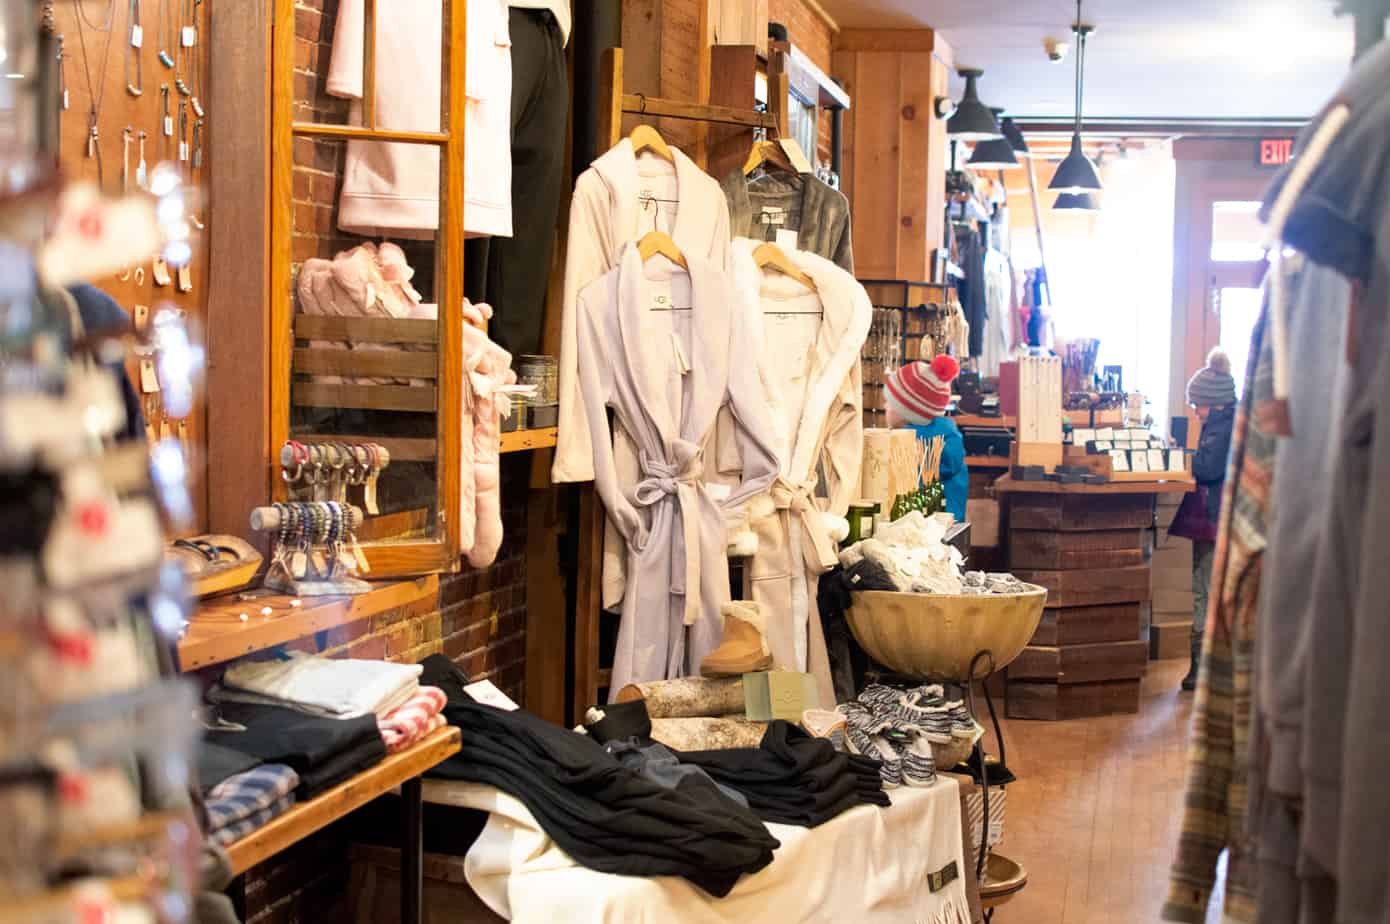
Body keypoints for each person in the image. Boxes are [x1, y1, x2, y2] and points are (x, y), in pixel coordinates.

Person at [1169, 347, 1237, 691]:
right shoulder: (1229, 423)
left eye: (1198, 405)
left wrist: (1180, 457)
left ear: (1215, 401)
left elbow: (1209, 468)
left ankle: (1201, 670)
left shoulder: (1221, 429)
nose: (1195, 412)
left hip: (1215, 519)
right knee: (1208, 588)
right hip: (1221, 519)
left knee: (1203, 588)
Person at [883, 354, 968, 522]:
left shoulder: (906, 447)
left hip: (913, 539)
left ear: (908, 410)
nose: (885, 406)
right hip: (946, 538)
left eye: (890, 402)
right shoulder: (948, 440)